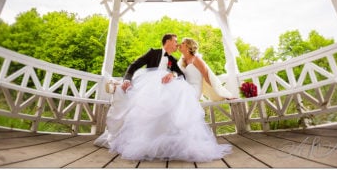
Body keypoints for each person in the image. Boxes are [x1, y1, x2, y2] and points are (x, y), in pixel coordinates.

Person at [94, 36, 234, 162]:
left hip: (167, 87)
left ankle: (166, 142)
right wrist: (127, 79)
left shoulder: (174, 60)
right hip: (148, 86)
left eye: (180, 43)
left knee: (168, 101)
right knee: (134, 95)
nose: (177, 44)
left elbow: (182, 75)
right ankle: (117, 85)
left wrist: (172, 74)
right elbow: (134, 65)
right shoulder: (155, 53)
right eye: (175, 42)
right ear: (167, 42)